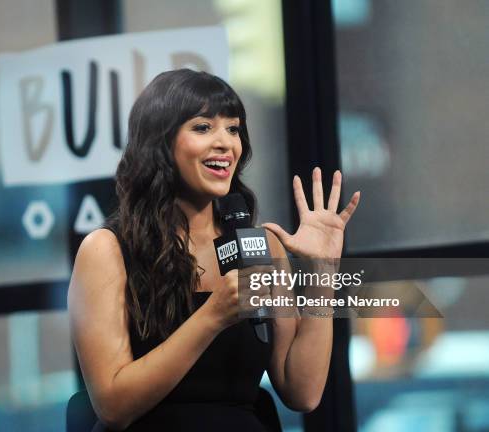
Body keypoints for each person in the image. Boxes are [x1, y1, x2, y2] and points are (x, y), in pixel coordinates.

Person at [68, 68, 360, 431]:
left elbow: (302, 391)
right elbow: (112, 405)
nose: (226, 143)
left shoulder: (258, 245)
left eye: (233, 129)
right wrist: (212, 316)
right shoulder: (106, 250)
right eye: (203, 127)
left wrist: (322, 274)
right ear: (160, 143)